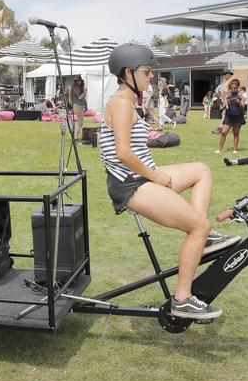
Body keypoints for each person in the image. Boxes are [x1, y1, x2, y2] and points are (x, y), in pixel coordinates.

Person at [100, 43, 239, 320]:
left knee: (201, 171)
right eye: (147, 71)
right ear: (128, 72)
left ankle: (202, 238)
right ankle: (183, 299)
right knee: (199, 226)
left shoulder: (129, 102)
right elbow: (122, 152)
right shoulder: (119, 103)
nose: (151, 76)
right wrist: (155, 176)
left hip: (144, 176)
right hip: (132, 183)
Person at [216, 79, 245, 154]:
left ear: (237, 88)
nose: (233, 89)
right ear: (229, 88)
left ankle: (235, 149)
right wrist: (226, 103)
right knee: (223, 132)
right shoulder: (227, 96)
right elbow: (223, 108)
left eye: (235, 88)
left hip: (238, 116)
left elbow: (243, 108)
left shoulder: (241, 96)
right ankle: (219, 149)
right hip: (229, 116)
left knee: (236, 133)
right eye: (231, 88)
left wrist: (239, 103)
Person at [69, 75, 87, 139]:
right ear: (76, 81)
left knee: (79, 123)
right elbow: (79, 97)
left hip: (80, 106)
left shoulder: (78, 87)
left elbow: (83, 99)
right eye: (78, 80)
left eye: (80, 80)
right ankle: (75, 137)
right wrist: (84, 92)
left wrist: (86, 107)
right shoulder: (75, 88)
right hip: (78, 106)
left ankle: (75, 136)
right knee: (80, 123)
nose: (79, 82)